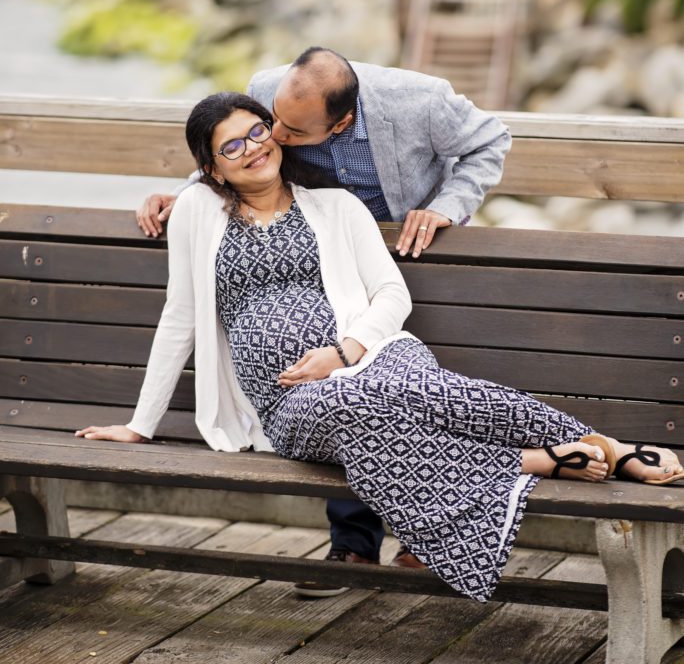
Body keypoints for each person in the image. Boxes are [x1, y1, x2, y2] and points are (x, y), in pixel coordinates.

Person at [80, 93, 684, 605]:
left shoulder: (337, 207)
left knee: (402, 390)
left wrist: (343, 353)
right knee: (353, 410)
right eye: (230, 146)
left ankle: (608, 447)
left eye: (257, 132)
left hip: (374, 356)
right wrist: (139, 425)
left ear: (276, 134)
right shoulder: (196, 213)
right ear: (211, 169)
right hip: (290, 401)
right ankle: (537, 459)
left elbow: (391, 295)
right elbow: (179, 316)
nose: (252, 148)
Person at [136, 48, 513, 593]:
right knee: (343, 396)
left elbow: (490, 141)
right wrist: (191, 194)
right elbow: (239, 151)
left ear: (341, 122)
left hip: (397, 246)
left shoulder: (422, 101)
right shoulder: (271, 91)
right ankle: (357, 547)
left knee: (380, 389)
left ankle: (425, 531)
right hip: (309, 249)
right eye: (275, 120)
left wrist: (447, 206)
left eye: (292, 129)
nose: (278, 134)